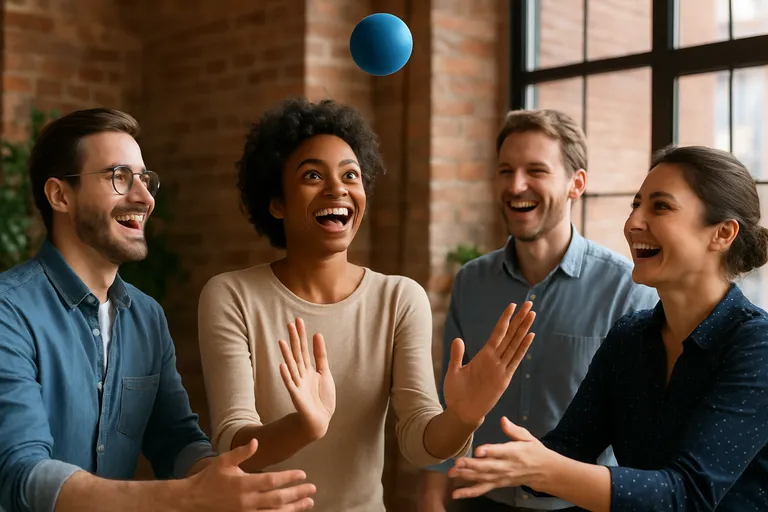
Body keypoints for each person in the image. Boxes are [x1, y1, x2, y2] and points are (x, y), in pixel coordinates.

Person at [196, 97, 537, 512]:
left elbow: (419, 443)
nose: (337, 188)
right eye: (312, 175)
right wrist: (303, 427)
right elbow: (232, 444)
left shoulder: (399, 299)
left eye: (350, 175)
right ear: (277, 202)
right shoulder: (231, 296)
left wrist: (464, 415)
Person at [0, 108, 318, 512]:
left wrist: (230, 485)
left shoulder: (146, 317)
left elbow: (176, 440)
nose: (145, 197)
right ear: (60, 196)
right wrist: (191, 497)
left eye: (145, 179)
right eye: (119, 177)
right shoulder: (9, 311)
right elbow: (23, 475)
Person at [447, 145, 768, 511]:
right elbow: (569, 448)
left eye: (660, 206)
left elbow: (688, 496)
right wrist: (476, 422)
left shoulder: (757, 346)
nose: (633, 223)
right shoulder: (630, 336)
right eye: (636, 204)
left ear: (722, 233)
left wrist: (544, 469)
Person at [419, 109, 660, 512]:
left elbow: (643, 427)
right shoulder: (470, 282)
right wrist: (430, 497)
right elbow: (449, 402)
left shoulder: (627, 290)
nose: (516, 186)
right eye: (505, 170)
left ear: (576, 183)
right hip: (481, 501)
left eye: (536, 170)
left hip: (581, 505)